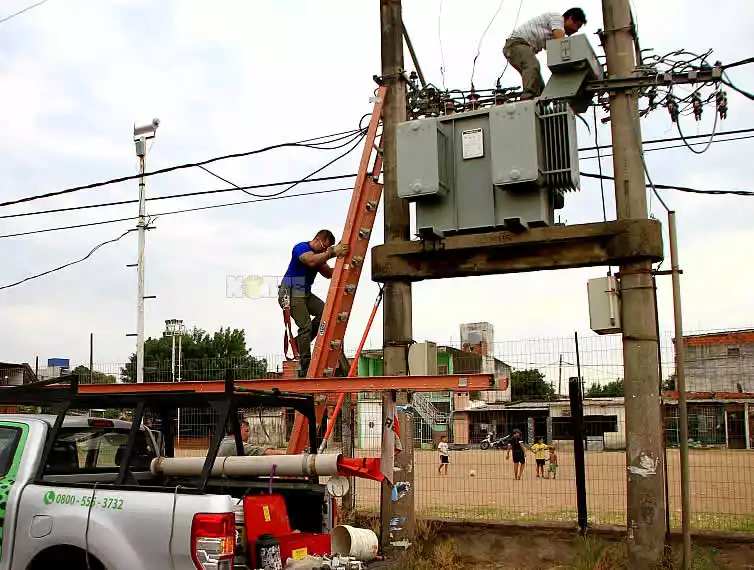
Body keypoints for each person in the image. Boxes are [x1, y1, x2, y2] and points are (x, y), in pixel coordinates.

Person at [278, 229, 349, 377]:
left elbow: (328, 273)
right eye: (324, 247)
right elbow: (310, 260)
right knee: (305, 326)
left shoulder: (318, 257)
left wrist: (345, 263)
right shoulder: (301, 248)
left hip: (304, 292)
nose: (324, 251)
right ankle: (305, 367)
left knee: (325, 313)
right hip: (291, 290)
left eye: (326, 249)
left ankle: (299, 343)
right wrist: (332, 253)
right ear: (317, 240)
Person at [502, 8, 588, 99]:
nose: (576, 30)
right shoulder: (557, 19)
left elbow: (555, 56)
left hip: (519, 48)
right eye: (577, 25)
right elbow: (561, 43)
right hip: (516, 43)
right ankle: (528, 96)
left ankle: (537, 101)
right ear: (570, 18)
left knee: (539, 86)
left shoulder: (553, 34)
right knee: (532, 65)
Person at [217, 419, 286, 457]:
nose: (248, 434)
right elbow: (262, 452)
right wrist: (285, 453)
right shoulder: (234, 444)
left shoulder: (222, 442)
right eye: (246, 431)